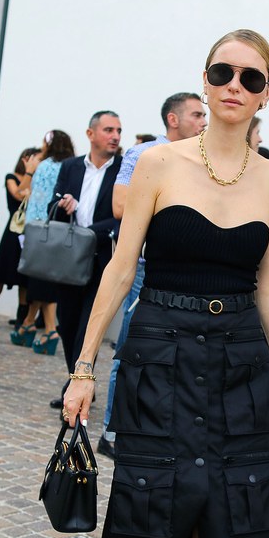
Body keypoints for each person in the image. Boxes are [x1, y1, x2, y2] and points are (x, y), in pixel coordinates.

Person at [63, 29, 269, 538]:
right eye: (223, 72)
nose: (234, 86)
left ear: (266, 93)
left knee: (223, 523)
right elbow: (120, 267)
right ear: (205, 79)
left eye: (251, 77)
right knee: (150, 507)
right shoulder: (160, 163)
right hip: (161, 349)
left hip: (238, 362)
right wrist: (84, 366)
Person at [99, 93, 207, 457]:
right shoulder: (144, 153)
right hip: (146, 269)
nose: (204, 121)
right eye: (197, 115)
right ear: (173, 120)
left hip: (188, 272)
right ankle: (111, 431)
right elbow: (119, 205)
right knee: (130, 350)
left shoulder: (203, 157)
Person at [49, 111, 123, 405]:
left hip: (102, 259)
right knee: (66, 324)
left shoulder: (124, 169)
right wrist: (63, 204)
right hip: (69, 259)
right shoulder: (70, 166)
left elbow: (123, 216)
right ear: (91, 134)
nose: (115, 136)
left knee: (86, 328)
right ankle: (77, 381)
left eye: (118, 131)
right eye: (109, 130)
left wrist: (91, 232)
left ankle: (75, 389)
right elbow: (53, 203)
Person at [17, 129, 73, 353]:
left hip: (40, 228)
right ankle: (29, 323)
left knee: (40, 279)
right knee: (47, 279)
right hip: (61, 229)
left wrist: (30, 170)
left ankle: (48, 329)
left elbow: (34, 197)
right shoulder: (70, 166)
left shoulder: (45, 165)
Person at [0, 147, 39, 331]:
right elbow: (18, 194)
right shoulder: (11, 177)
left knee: (24, 278)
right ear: (26, 158)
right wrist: (29, 172)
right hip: (13, 230)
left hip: (29, 231)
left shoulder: (38, 179)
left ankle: (20, 318)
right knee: (0, 275)